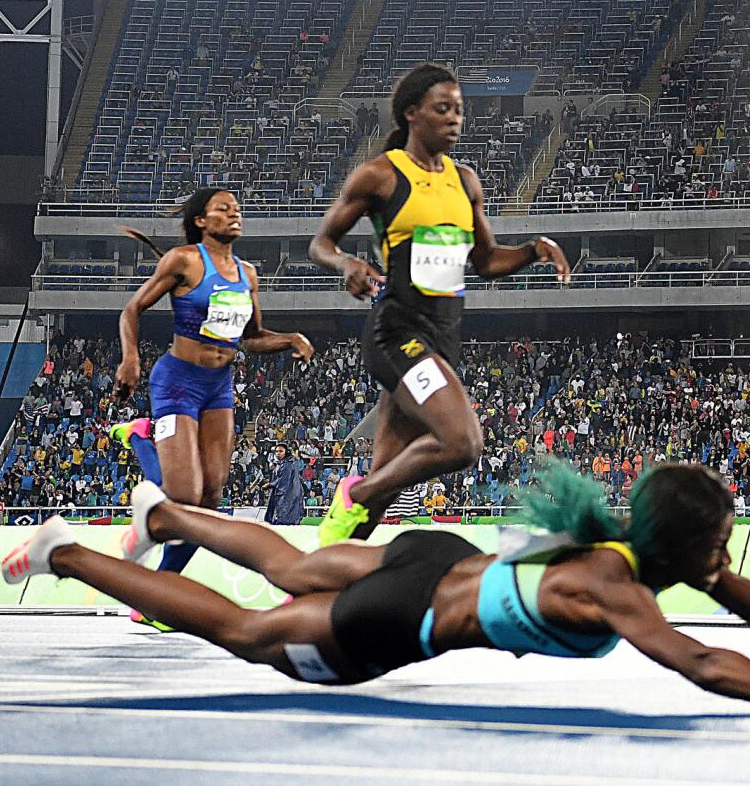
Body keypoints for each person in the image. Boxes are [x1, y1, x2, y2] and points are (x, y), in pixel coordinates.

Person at [0, 462, 750, 715]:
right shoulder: (620, 587)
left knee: (289, 560)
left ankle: (161, 513)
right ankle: (65, 552)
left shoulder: (640, 552)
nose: (733, 556)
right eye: (727, 540)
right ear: (695, 547)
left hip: (435, 557)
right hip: (402, 616)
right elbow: (702, 659)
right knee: (245, 628)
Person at [308, 62, 569, 546]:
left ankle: (316, 580)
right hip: (397, 333)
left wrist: (534, 250)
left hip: (442, 340)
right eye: (442, 109)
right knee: (462, 443)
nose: (455, 120)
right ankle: (357, 494)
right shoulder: (381, 176)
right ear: (411, 114)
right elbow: (321, 243)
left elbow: (487, 261)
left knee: (389, 474)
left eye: (460, 111)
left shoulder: (465, 180)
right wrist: (346, 265)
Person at [110, 190, 312, 631]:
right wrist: (130, 358)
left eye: (237, 208)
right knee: (183, 498)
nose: (233, 213)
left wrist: (290, 339)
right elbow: (133, 309)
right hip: (178, 381)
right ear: (201, 221)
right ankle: (140, 436)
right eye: (223, 208)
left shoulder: (248, 274)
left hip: (219, 386)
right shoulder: (184, 261)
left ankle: (153, 600)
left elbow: (252, 338)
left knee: (211, 501)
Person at [263, 443, 305, 526]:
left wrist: (270, 485)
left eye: (281, 451)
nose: (278, 453)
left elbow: (283, 480)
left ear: (286, 452)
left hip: (287, 495)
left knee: (284, 519)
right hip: (285, 494)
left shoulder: (287, 464)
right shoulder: (282, 464)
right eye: (277, 451)